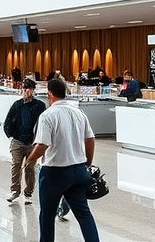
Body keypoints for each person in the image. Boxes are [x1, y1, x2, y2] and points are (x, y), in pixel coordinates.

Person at [26, 78, 99, 242]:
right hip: (79, 170)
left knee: (47, 215)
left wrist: (30, 160)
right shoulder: (78, 112)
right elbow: (90, 139)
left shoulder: (48, 115)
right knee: (84, 214)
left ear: (50, 94)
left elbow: (42, 145)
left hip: (54, 172)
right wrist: (87, 162)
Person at [3, 78, 46, 204]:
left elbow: (43, 124)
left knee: (30, 168)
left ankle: (28, 193)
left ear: (33, 90)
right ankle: (15, 191)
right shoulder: (17, 105)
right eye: (25, 89)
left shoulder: (40, 106)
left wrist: (40, 140)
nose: (27, 92)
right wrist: (11, 135)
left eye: (30, 89)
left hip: (32, 143)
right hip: (17, 141)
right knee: (16, 165)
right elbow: (8, 122)